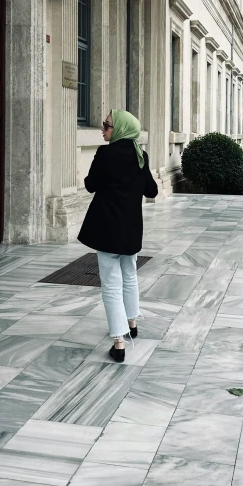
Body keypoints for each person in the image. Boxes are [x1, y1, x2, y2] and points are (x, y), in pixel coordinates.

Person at [78, 109, 158, 362]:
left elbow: (90, 184)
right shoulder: (140, 155)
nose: (103, 130)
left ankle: (119, 342)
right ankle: (132, 324)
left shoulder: (105, 154)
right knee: (129, 276)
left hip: (107, 229)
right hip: (131, 229)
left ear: (121, 129)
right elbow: (152, 191)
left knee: (111, 285)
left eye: (107, 125)